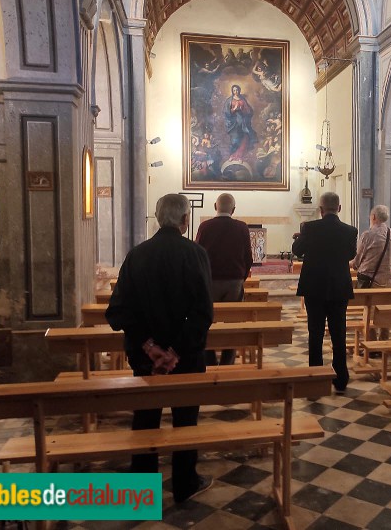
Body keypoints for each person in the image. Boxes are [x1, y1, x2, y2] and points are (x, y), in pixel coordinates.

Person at [106, 193, 214, 503]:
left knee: (145, 415)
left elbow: (119, 311)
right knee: (185, 419)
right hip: (188, 356)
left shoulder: (137, 255)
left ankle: (142, 487)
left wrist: (150, 346)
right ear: (185, 220)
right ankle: (184, 482)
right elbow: (203, 312)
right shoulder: (195, 254)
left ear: (157, 218)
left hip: (144, 357)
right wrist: (176, 351)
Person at [293, 192, 357, 394]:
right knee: (339, 333)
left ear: (320, 210)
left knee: (316, 332)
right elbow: (350, 254)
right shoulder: (350, 230)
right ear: (338, 208)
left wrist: (301, 238)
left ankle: (316, 378)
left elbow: (297, 250)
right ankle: (341, 378)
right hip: (339, 287)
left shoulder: (310, 228)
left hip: (314, 286)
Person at [195, 192, 253, 366]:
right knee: (232, 322)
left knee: (207, 320)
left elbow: (198, 254)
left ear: (215, 206)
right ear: (233, 210)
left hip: (210, 281)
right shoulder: (241, 227)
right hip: (234, 281)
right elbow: (248, 257)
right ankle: (228, 361)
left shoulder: (205, 226)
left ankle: (210, 359)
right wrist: (241, 277)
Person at [350, 205, 391, 344]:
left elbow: (358, 260)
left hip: (370, 281)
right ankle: (384, 342)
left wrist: (352, 264)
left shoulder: (368, 235)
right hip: (388, 280)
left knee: (369, 313)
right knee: (385, 312)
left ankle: (371, 345)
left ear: (373, 217)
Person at [222, 84, 257, 161]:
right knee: (234, 139)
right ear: (232, 91)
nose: (236, 92)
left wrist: (242, 109)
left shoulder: (242, 100)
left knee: (244, 139)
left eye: (237, 90)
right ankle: (232, 155)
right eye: (234, 90)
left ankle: (240, 156)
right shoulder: (229, 100)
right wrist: (234, 109)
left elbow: (249, 111)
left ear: (239, 90)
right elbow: (226, 112)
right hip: (234, 123)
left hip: (243, 123)